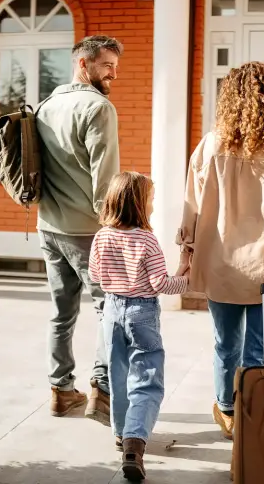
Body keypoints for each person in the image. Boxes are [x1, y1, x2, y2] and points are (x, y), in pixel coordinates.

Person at [175, 62, 264, 439]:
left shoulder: (211, 144)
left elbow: (192, 204)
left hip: (222, 265)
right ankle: (250, 421)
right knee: (259, 352)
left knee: (225, 345)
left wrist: (186, 254)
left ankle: (229, 412)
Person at [36, 35, 123, 425]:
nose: (113, 74)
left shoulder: (45, 106)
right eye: (107, 65)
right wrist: (116, 228)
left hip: (48, 225)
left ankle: (59, 390)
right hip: (88, 230)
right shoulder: (98, 107)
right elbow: (105, 180)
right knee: (110, 310)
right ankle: (101, 393)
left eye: (115, 67)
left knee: (61, 312)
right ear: (83, 64)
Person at [89, 171, 189, 481]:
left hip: (111, 310)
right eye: (150, 200)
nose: (154, 206)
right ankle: (134, 442)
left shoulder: (102, 235)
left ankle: (121, 434)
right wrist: (186, 277)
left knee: (118, 376)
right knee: (146, 379)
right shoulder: (146, 239)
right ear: (137, 204)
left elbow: (94, 275)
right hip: (141, 313)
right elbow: (161, 283)